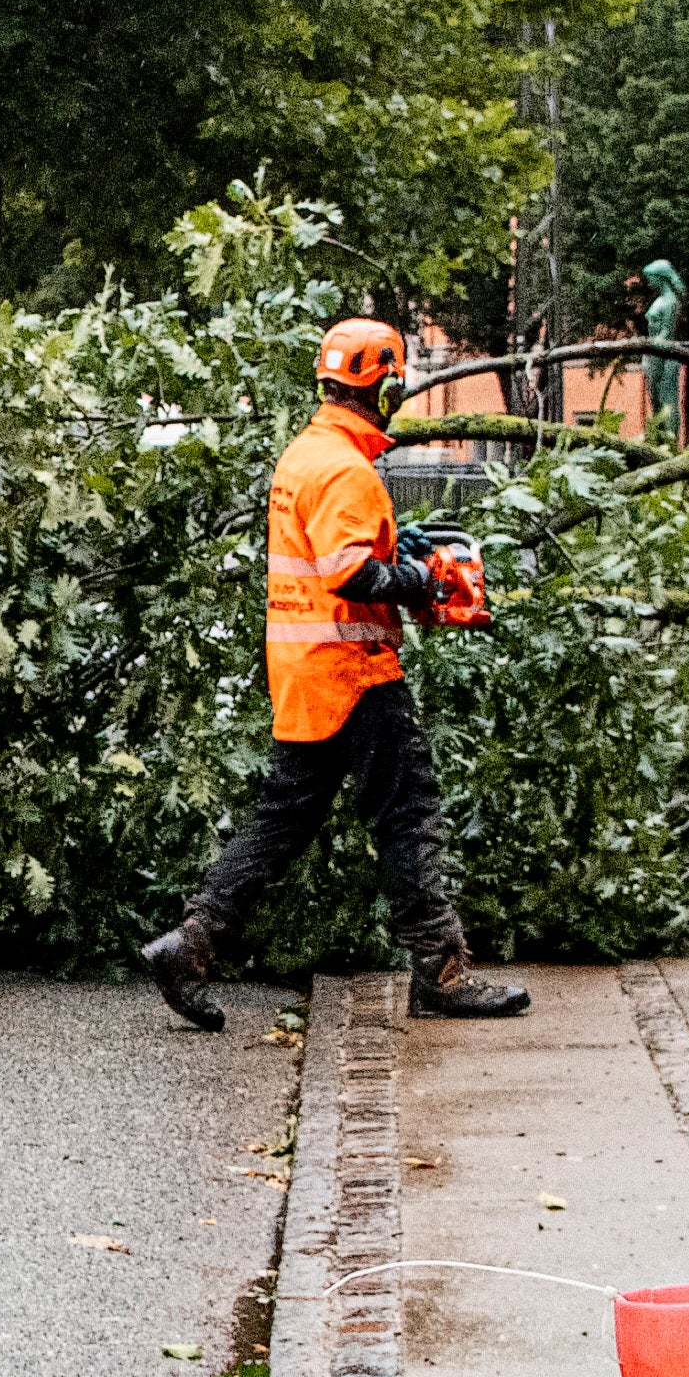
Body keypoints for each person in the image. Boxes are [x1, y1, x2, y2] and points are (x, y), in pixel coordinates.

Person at [137, 316, 529, 1031]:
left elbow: (333, 548)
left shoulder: (307, 455)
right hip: (356, 674)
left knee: (283, 822)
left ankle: (191, 943)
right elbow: (350, 572)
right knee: (410, 816)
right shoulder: (346, 469)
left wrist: (396, 543)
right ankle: (441, 974)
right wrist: (423, 580)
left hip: (304, 669)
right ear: (385, 386)